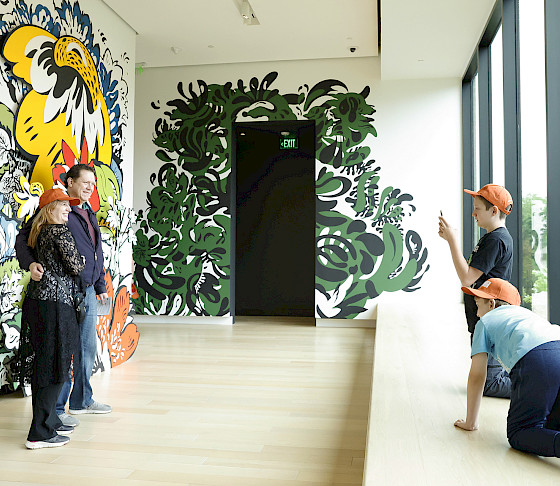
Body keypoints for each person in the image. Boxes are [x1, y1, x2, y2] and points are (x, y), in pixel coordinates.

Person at [16, 164, 111, 428]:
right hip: (64, 292)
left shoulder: (89, 213)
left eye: (93, 183)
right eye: (85, 182)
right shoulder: (54, 208)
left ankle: (83, 400)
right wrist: (30, 263)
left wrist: (101, 286)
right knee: (63, 351)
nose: (90, 187)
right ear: (70, 183)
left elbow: (95, 254)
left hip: (88, 289)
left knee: (86, 348)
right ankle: (57, 410)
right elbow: (24, 238)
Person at [455, 278, 560, 458]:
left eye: (478, 305)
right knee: (551, 424)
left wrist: (470, 422)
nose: (477, 313)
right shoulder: (526, 315)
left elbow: (478, 375)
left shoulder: (485, 322)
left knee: (520, 432)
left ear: (491, 304)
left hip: (536, 358)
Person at [19, 188, 84, 449]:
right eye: (63, 205)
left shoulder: (40, 232)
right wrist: (79, 258)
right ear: (50, 209)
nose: (68, 208)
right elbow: (77, 266)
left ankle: (47, 422)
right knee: (54, 365)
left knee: (44, 365)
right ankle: (40, 433)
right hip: (56, 306)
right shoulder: (58, 231)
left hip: (38, 302)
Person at [438, 184, 513, 398]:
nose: (473, 214)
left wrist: (452, 240)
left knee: (489, 384)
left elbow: (467, 277)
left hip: (489, 317)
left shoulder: (496, 240)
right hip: (484, 316)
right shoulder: (493, 237)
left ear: (494, 211)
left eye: (477, 209)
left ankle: (538, 386)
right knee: (486, 379)